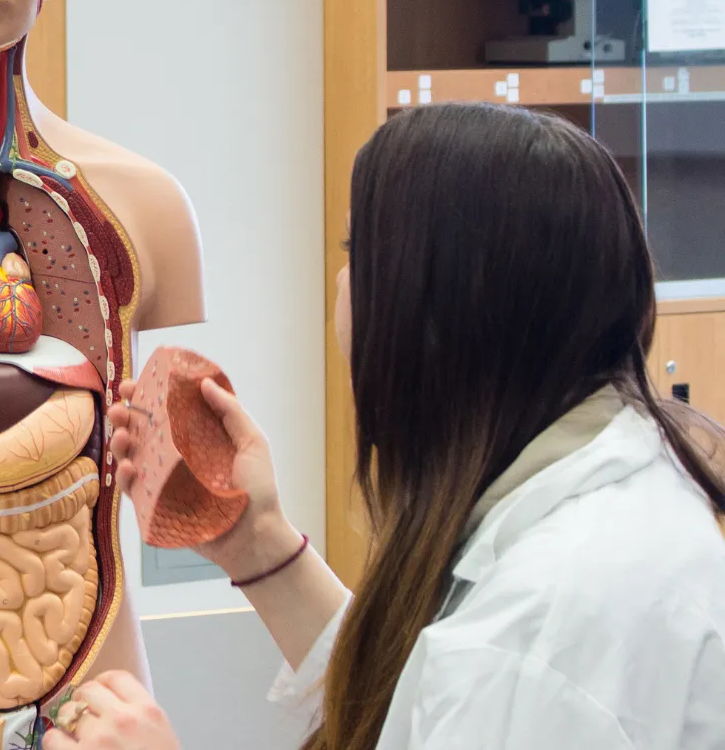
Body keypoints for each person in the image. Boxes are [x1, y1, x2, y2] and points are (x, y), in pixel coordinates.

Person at [47, 103, 725, 750]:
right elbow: (417, 709)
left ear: (436, 312)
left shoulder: (537, 633)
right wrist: (256, 543)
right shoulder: (614, 490)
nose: (343, 281)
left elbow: (470, 690)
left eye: (357, 251)